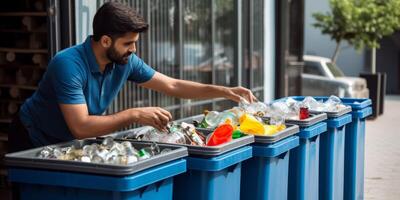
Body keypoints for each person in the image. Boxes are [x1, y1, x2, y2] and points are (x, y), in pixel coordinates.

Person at [9, 2, 257, 152]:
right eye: (128, 43)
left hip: (67, 140)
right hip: (33, 138)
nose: (134, 50)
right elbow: (81, 126)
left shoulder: (124, 61)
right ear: (105, 40)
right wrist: (134, 114)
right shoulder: (68, 64)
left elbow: (171, 84)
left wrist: (224, 91)